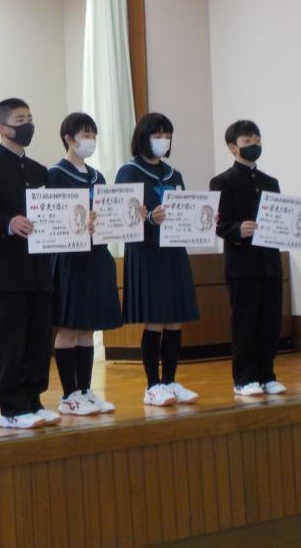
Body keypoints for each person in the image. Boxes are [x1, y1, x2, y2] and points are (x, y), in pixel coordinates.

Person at [0, 98, 61, 429]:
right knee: (9, 340)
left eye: (30, 118)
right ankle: (10, 408)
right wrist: (8, 223)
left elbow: (53, 213)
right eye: (20, 120)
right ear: (2, 127)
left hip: (40, 268)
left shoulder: (39, 171)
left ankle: (33, 400)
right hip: (7, 270)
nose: (27, 125)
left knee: (39, 339)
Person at [115, 112, 200, 407]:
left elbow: (185, 210)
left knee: (175, 320)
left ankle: (171, 380)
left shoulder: (173, 174)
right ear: (143, 137)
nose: (163, 140)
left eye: (167, 135)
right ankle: (152, 386)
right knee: (155, 321)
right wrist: (150, 217)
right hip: (146, 253)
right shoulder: (129, 172)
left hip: (173, 252)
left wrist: (200, 219)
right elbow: (121, 217)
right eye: (157, 135)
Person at [48, 113, 121, 416]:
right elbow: (53, 217)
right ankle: (69, 395)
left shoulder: (97, 176)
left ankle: (86, 390)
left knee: (88, 329)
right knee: (68, 327)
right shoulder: (55, 174)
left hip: (96, 256)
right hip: (70, 258)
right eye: (85, 135)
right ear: (68, 138)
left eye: (93, 135)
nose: (90, 141)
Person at [209, 120, 286, 396]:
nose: (254, 146)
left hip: (270, 263)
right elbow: (218, 224)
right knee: (245, 322)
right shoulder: (222, 182)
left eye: (257, 140)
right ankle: (244, 379)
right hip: (242, 264)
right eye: (247, 142)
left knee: (270, 322)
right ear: (233, 147)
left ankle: (267, 375)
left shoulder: (270, 182)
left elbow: (280, 219)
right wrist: (237, 229)